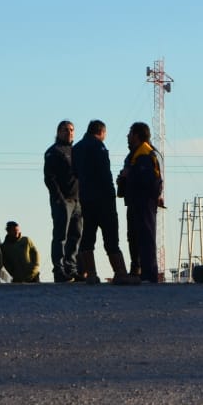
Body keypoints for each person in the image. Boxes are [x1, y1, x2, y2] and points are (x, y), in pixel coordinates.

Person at [73, 119, 137, 284]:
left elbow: (75, 172)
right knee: (111, 236)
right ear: (101, 132)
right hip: (103, 199)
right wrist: (112, 193)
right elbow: (104, 173)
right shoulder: (99, 147)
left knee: (88, 236)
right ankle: (120, 272)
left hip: (86, 198)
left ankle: (91, 274)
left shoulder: (77, 148)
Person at [117, 121, 163, 283]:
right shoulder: (135, 154)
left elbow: (147, 179)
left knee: (145, 237)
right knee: (134, 237)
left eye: (130, 133)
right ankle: (137, 271)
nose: (127, 137)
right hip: (135, 202)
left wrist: (129, 175)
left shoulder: (144, 154)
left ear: (136, 135)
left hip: (144, 203)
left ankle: (149, 275)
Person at [44, 120, 83, 283]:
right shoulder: (53, 152)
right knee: (61, 235)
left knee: (76, 235)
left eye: (72, 130)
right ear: (58, 132)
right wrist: (59, 199)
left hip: (78, 201)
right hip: (63, 201)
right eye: (66, 130)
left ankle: (71, 268)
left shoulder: (76, 151)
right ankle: (59, 270)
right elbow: (49, 178)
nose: (69, 133)